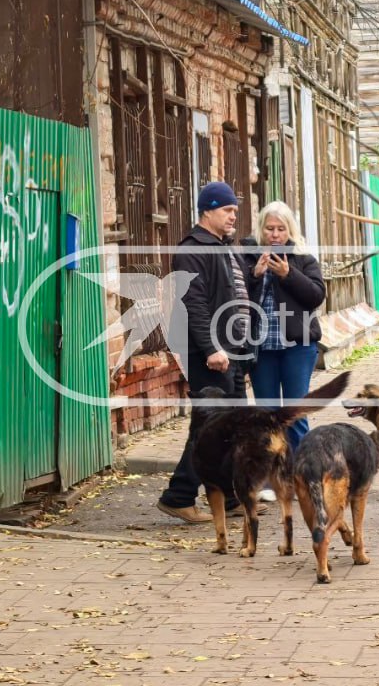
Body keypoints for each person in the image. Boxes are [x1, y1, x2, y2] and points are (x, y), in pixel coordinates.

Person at [156, 181, 264, 524]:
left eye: (235, 210)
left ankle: (232, 497)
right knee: (209, 428)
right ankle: (179, 496)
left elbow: (233, 291)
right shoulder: (193, 249)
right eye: (227, 211)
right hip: (211, 354)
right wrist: (212, 348)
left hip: (231, 351)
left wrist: (254, 275)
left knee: (232, 427)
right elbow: (194, 305)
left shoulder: (223, 246)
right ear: (208, 211)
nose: (234, 216)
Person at [243, 202, 325, 501]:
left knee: (294, 412)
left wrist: (288, 274)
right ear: (260, 229)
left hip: (297, 348)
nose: (275, 234)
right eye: (269, 228)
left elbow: (315, 296)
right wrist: (255, 274)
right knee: (266, 414)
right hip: (262, 349)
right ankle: (268, 478)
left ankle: (303, 474)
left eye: (281, 229)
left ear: (290, 230)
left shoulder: (303, 259)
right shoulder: (248, 256)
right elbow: (238, 296)